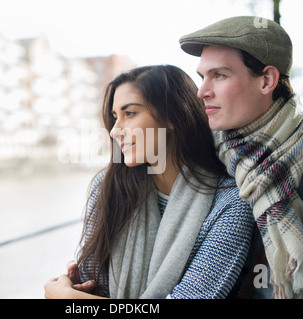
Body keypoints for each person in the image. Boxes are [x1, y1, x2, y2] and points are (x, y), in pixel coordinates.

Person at [44, 65, 255, 299]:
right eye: (115, 117)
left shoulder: (229, 205)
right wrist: (77, 289)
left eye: (130, 113)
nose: (115, 131)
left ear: (173, 117)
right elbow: (94, 281)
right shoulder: (108, 187)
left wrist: (69, 299)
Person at [179, 16, 303, 299]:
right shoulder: (206, 159)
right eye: (202, 77)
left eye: (220, 75)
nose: (202, 91)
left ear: (266, 80)